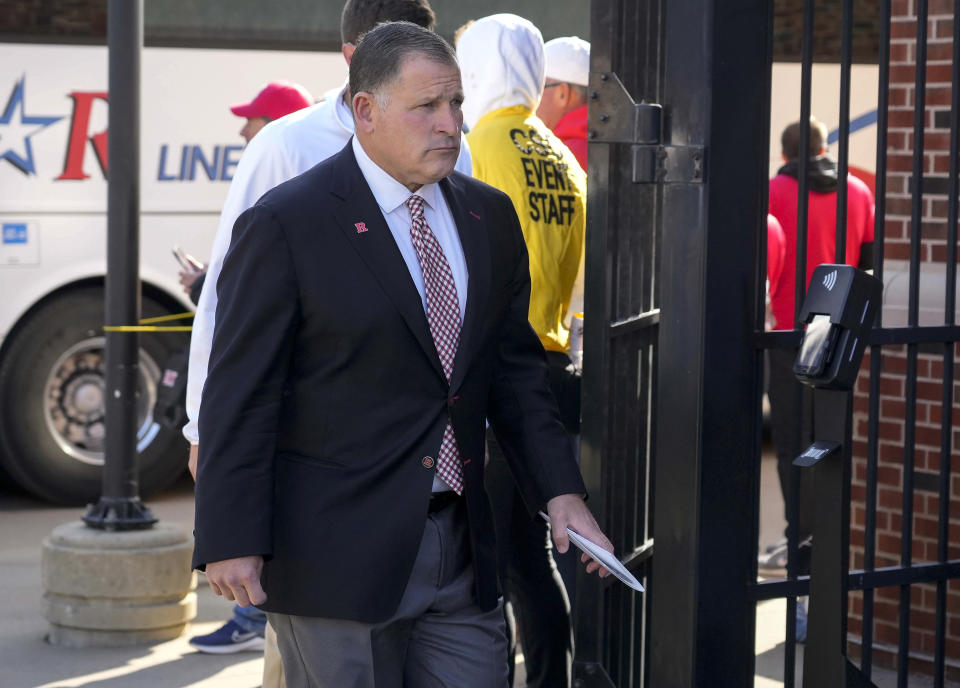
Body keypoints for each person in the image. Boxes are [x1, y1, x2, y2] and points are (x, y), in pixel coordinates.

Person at [192, 21, 614, 687]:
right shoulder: (288, 224)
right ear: (366, 111)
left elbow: (514, 374)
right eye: (426, 107)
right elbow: (239, 392)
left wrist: (561, 492)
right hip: (333, 558)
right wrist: (229, 537)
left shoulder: (487, 217)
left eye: (455, 104)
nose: (449, 124)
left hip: (461, 550)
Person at [182, 0, 468, 666]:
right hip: (329, 482)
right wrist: (205, 431)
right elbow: (231, 301)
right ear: (352, 54)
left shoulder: (454, 139)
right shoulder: (290, 145)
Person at [458, 15, 587, 687]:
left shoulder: (474, 143)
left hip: (490, 374)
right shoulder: (559, 154)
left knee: (490, 562)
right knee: (530, 559)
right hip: (550, 365)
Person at [186, 79, 314, 660]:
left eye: (254, 118)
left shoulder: (283, 163)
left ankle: (248, 612)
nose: (243, 130)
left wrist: (198, 426)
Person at [763, 117, 874, 642]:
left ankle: (801, 579)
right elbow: (868, 266)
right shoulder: (859, 191)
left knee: (793, 453)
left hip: (791, 340)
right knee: (840, 453)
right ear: (825, 147)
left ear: (784, 151)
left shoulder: (773, 192)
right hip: (845, 343)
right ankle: (837, 576)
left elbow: (764, 267)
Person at [176, 81, 314, 312]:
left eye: (251, 120)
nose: (242, 131)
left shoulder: (284, 190)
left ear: (278, 125)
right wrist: (211, 277)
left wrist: (204, 288)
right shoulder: (298, 179)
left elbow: (268, 278)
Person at [536, 36, 590, 170]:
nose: (531, 97)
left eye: (538, 87)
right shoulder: (613, 142)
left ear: (562, 94)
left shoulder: (558, 156)